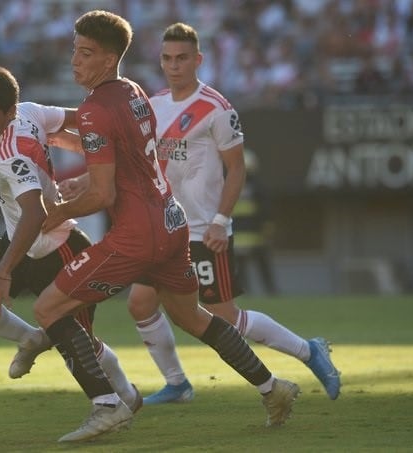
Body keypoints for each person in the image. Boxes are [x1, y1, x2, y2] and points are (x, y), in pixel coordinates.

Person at [32, 10, 300, 443]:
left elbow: (102, 195)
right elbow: (121, 158)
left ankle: (106, 405)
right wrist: (61, 143)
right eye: (73, 52)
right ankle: (274, 388)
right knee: (192, 316)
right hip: (172, 222)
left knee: (47, 308)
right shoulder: (135, 92)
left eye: (85, 53)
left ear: (108, 58)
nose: (74, 62)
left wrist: (55, 214)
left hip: (137, 234)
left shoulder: (94, 108)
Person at [122, 22, 341, 405]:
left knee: (224, 317)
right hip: (166, 230)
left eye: (182, 58)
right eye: (167, 58)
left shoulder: (217, 108)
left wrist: (221, 221)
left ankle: (310, 351)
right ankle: (177, 385)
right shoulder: (154, 105)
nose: (174, 65)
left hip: (205, 229)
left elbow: (236, 168)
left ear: (198, 60)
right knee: (140, 303)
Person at [0, 65, 141, 413]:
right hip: (21, 238)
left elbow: (34, 215)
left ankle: (124, 397)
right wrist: (97, 145)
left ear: (10, 112)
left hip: (55, 244)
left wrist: (4, 272)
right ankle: (31, 338)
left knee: (78, 342)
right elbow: (83, 118)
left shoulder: (10, 155)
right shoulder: (31, 112)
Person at [233, 149, 278, 295]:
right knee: (262, 265)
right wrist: (267, 228)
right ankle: (271, 292)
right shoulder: (258, 186)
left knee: (241, 267)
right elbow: (266, 210)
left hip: (239, 236)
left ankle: (246, 293)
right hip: (255, 235)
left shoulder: (231, 185)